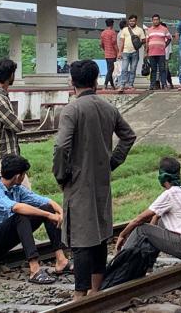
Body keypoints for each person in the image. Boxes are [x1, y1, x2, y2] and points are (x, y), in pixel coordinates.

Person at [53, 60, 136, 299]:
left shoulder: (72, 110)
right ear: (96, 80)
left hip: (78, 181)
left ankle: (79, 295)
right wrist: (112, 162)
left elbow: (61, 147)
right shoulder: (107, 107)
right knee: (100, 232)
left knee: (80, 238)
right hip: (102, 179)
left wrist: (62, 174)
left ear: (72, 82)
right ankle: (96, 290)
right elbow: (128, 136)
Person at [0, 155, 68, 285]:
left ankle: (61, 260)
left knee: (46, 208)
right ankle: (35, 269)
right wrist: (48, 215)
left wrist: (60, 212)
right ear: (18, 176)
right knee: (20, 216)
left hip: (6, 236)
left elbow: (44, 200)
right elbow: (17, 207)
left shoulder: (16, 189)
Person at [113, 157, 181, 267]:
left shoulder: (170, 194)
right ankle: (147, 264)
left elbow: (139, 219)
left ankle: (118, 264)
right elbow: (156, 217)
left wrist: (122, 235)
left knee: (141, 230)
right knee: (161, 220)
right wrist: (152, 234)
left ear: (162, 177)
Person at [0, 59, 31, 189]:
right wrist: (20, 122)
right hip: (1, 159)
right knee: (17, 198)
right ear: (10, 76)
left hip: (7, 159)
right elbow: (17, 126)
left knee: (22, 196)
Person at [117, 14, 145, 92]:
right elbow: (121, 41)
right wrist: (120, 52)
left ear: (136, 21)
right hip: (125, 52)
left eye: (133, 21)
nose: (132, 22)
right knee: (124, 69)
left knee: (133, 69)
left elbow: (144, 40)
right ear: (128, 21)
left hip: (135, 52)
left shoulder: (140, 30)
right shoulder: (125, 30)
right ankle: (122, 85)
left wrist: (138, 44)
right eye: (130, 21)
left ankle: (130, 85)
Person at [146, 14, 172, 90]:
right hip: (151, 53)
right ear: (152, 21)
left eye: (157, 19)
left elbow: (169, 38)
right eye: (154, 20)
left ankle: (164, 84)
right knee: (153, 70)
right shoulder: (149, 30)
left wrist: (164, 45)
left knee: (162, 69)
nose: (155, 21)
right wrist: (146, 52)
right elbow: (147, 42)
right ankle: (152, 85)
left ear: (159, 20)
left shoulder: (164, 29)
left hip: (161, 53)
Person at [100, 18, 119, 90]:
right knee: (111, 70)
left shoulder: (103, 33)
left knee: (109, 69)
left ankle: (112, 85)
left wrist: (105, 49)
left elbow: (101, 44)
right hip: (112, 54)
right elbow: (114, 43)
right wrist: (118, 52)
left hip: (106, 54)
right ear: (112, 24)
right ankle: (105, 84)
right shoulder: (113, 32)